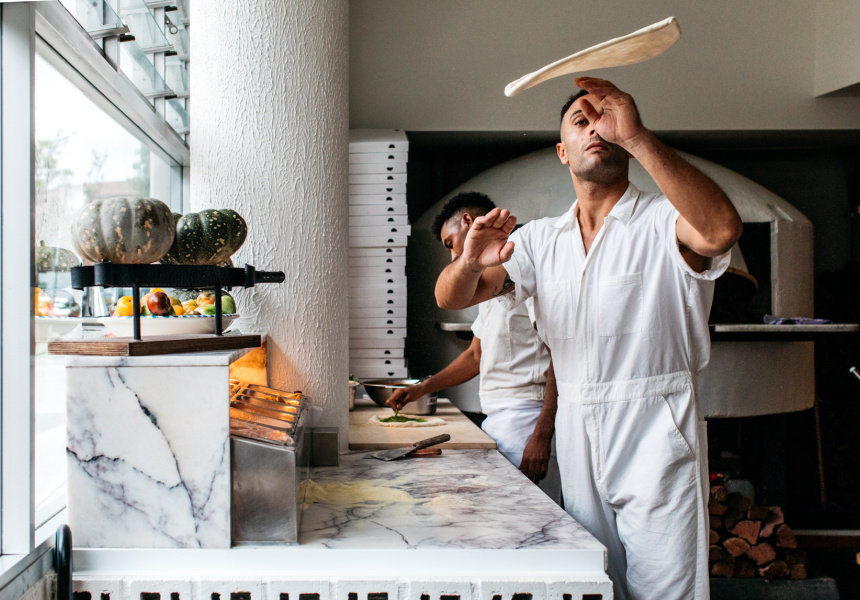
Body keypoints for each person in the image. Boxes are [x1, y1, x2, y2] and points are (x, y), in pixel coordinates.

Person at [433, 78, 742, 600]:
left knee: (666, 589)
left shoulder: (664, 220)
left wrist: (638, 136)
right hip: (576, 428)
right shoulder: (539, 241)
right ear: (563, 151)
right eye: (581, 120)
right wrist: (467, 261)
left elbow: (720, 232)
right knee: (592, 584)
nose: (596, 127)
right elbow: (452, 296)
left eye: (605, 119)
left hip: (655, 424)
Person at [388, 192, 562, 503]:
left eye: (450, 244)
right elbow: (475, 355)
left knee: (530, 521)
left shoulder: (523, 260)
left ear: (468, 221)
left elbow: (560, 358)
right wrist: (422, 388)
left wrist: (542, 435)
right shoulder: (486, 281)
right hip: (497, 419)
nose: (451, 256)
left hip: (528, 419)